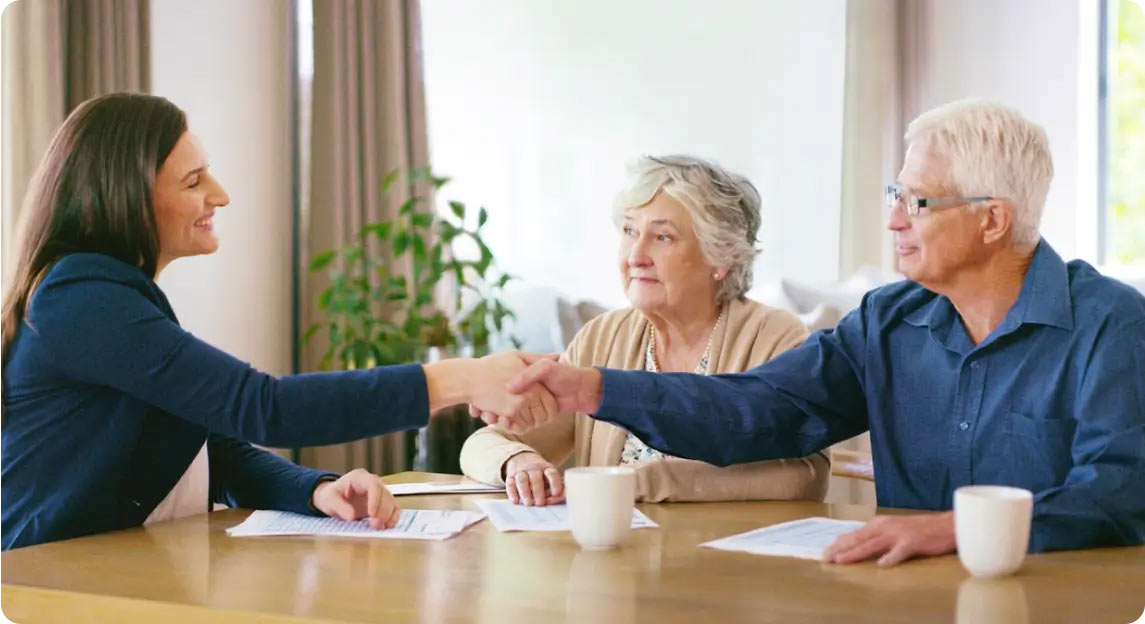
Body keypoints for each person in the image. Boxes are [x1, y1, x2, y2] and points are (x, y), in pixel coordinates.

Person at [499, 100, 1145, 565]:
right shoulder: (884, 323)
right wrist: (594, 390)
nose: (892, 219)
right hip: (906, 597)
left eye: (915, 201)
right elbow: (752, 410)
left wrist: (951, 530)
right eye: (894, 193)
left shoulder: (1110, 325)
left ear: (991, 220)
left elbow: (1117, 493)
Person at [0, 93, 552, 550]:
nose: (220, 194)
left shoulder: (109, 295)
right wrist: (460, 378)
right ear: (125, 198)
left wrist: (317, 491)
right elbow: (265, 408)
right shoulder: (81, 298)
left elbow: (210, 450)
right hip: (47, 584)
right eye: (194, 182)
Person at [460, 156, 828, 505]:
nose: (636, 255)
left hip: (722, 560)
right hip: (616, 557)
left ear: (721, 257)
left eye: (662, 237)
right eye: (629, 231)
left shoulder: (775, 337)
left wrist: (640, 483)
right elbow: (486, 443)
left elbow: (803, 474)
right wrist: (519, 462)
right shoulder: (602, 337)